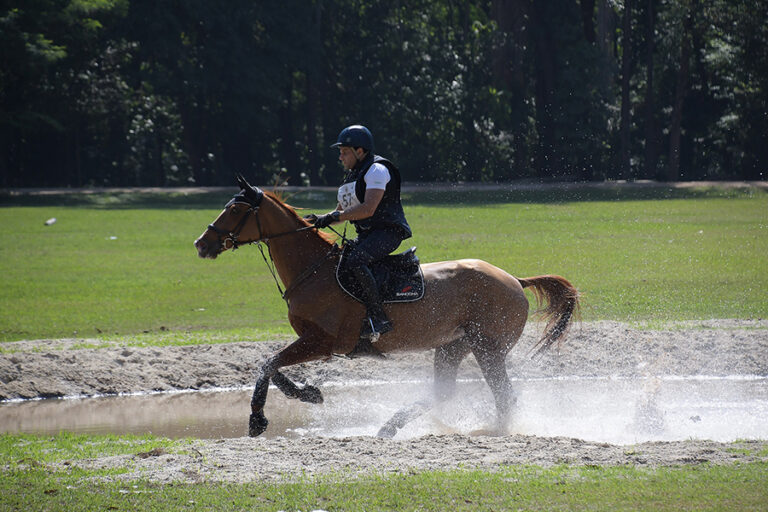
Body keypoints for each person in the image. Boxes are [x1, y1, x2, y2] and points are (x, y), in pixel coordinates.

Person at [307, 125, 411, 358]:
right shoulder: (351, 177)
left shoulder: (376, 170)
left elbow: (367, 209)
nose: (340, 157)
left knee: (355, 261)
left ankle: (378, 318)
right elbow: (340, 212)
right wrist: (315, 222)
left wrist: (334, 216)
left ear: (360, 151)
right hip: (369, 235)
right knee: (339, 262)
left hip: (388, 232)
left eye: (344, 152)